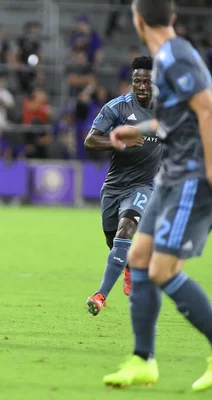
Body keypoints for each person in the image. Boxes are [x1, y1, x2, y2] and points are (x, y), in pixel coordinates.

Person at [103, 0, 212, 391]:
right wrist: (135, 130)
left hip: (192, 177)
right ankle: (143, 359)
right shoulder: (166, 57)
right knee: (139, 256)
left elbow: (207, 109)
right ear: (172, 17)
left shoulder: (176, 56)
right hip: (172, 175)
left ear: (137, 20)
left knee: (164, 271)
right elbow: (174, 117)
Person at [83, 56, 161, 316]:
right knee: (111, 238)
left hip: (143, 186)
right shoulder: (117, 108)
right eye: (137, 81)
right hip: (114, 187)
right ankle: (128, 267)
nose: (141, 86)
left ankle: (100, 296)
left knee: (125, 231)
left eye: (146, 81)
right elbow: (90, 141)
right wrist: (119, 141)